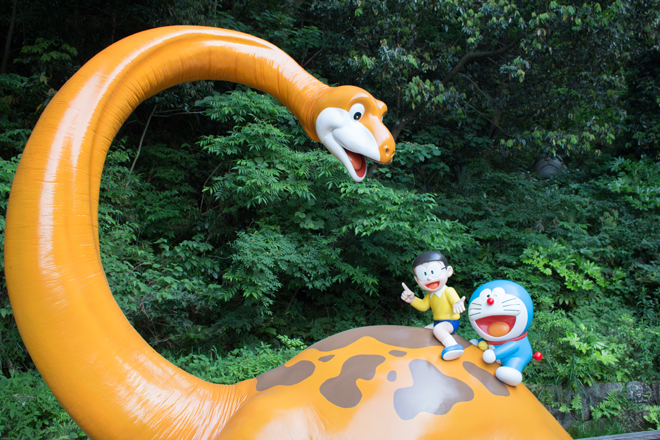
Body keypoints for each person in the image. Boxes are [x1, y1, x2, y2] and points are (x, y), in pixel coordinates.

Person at [401, 251, 466, 360]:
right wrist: (412, 299)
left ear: (448, 271)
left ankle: (453, 346)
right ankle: (427, 349)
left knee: (438, 329)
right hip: (437, 322)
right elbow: (423, 306)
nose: (429, 278)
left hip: (450, 322)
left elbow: (455, 300)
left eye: (433, 272)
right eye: (423, 274)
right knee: (424, 331)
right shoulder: (430, 294)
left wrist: (457, 303)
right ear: (417, 279)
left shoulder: (448, 291)